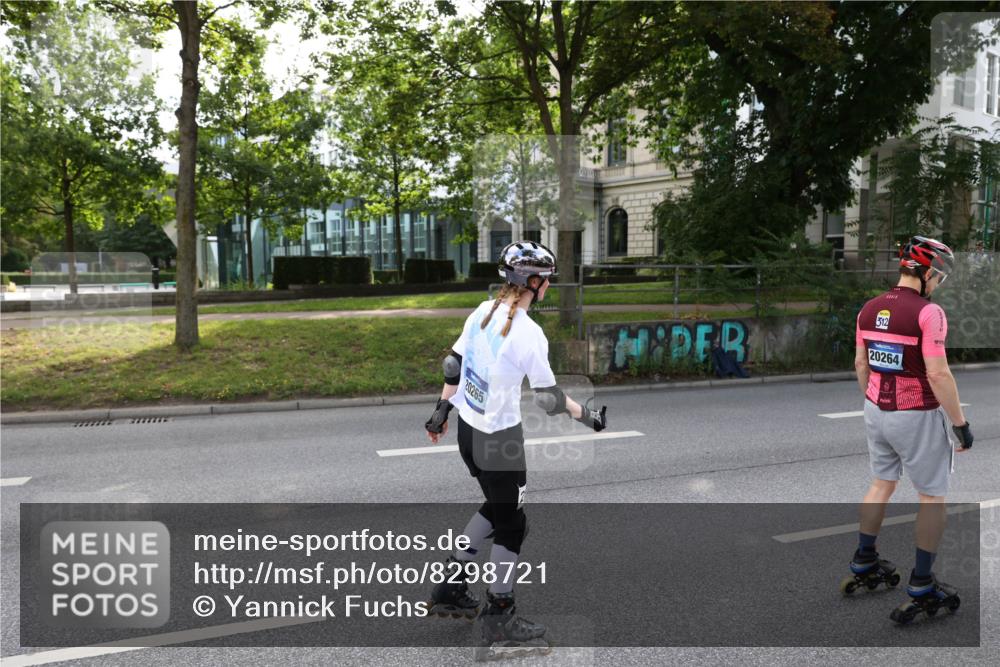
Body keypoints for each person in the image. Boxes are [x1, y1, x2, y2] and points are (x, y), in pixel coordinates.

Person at [423, 241, 607, 656]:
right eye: (547, 282)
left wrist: (440, 412)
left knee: (496, 506)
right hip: (500, 441)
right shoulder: (528, 333)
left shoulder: (482, 311)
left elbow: (453, 364)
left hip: (469, 434)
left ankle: (450, 587)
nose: (549, 289)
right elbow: (549, 399)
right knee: (513, 525)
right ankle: (500, 616)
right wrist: (589, 417)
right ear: (534, 282)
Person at [845, 236, 973, 623]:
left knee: (882, 481)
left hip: (875, 409)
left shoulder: (869, 308)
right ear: (926, 271)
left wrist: (874, 403)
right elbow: (937, 372)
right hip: (916, 412)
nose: (938, 283)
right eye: (939, 276)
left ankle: (864, 560)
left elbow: (861, 365)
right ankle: (922, 583)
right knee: (932, 497)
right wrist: (960, 425)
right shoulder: (928, 313)